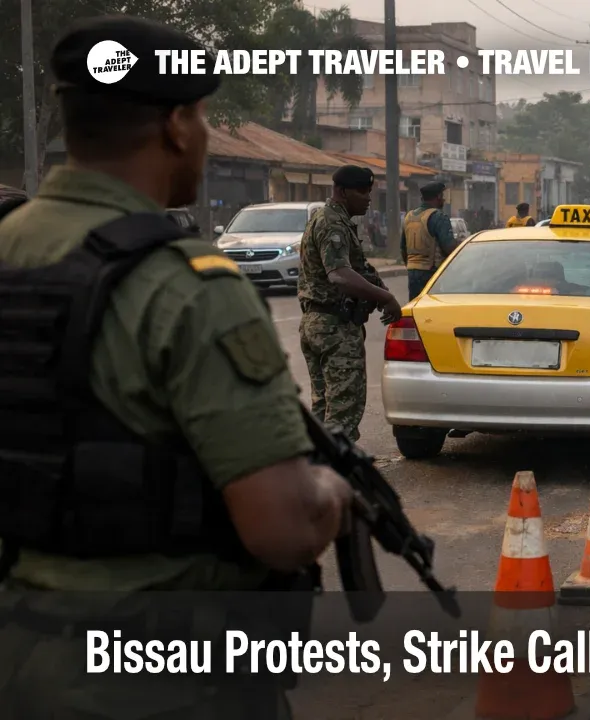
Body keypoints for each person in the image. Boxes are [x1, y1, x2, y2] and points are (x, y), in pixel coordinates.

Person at [0, 15, 351, 718]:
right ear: (177, 125)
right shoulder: (190, 287)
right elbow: (282, 529)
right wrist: (331, 489)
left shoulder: (10, 246)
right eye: (204, 115)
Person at [298, 164, 402, 443]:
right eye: (362, 192)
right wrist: (385, 298)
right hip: (334, 327)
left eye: (369, 191)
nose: (368, 198)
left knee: (324, 407)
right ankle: (337, 464)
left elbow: (361, 268)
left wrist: (382, 292)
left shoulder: (333, 220)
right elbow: (340, 275)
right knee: (343, 410)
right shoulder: (332, 222)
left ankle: (319, 461)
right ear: (342, 192)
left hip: (319, 324)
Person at [401, 181, 458, 299]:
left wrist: (411, 265)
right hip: (432, 272)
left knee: (416, 304)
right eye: (442, 196)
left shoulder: (409, 216)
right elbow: (449, 247)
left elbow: (403, 247)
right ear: (438, 197)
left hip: (412, 271)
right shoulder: (439, 217)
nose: (444, 200)